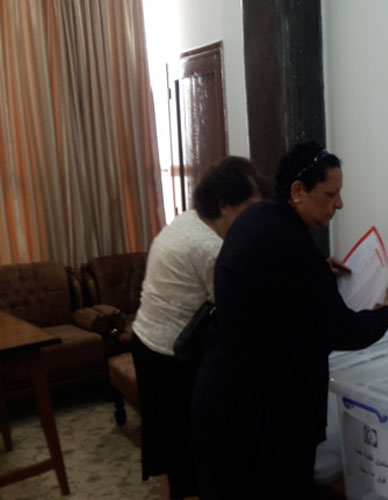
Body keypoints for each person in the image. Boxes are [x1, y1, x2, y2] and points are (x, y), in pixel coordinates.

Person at [190, 142, 388, 498]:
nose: (339, 205)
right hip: (258, 416)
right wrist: (385, 314)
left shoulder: (262, 218)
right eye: (330, 194)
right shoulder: (287, 241)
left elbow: (275, 289)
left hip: (228, 395)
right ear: (298, 190)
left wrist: (320, 271)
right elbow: (341, 330)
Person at [130, 156, 270, 499]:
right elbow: (241, 309)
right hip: (171, 355)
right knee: (187, 448)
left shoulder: (190, 220)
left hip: (148, 341)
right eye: (251, 208)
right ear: (224, 205)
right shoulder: (209, 247)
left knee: (169, 442)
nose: (257, 218)